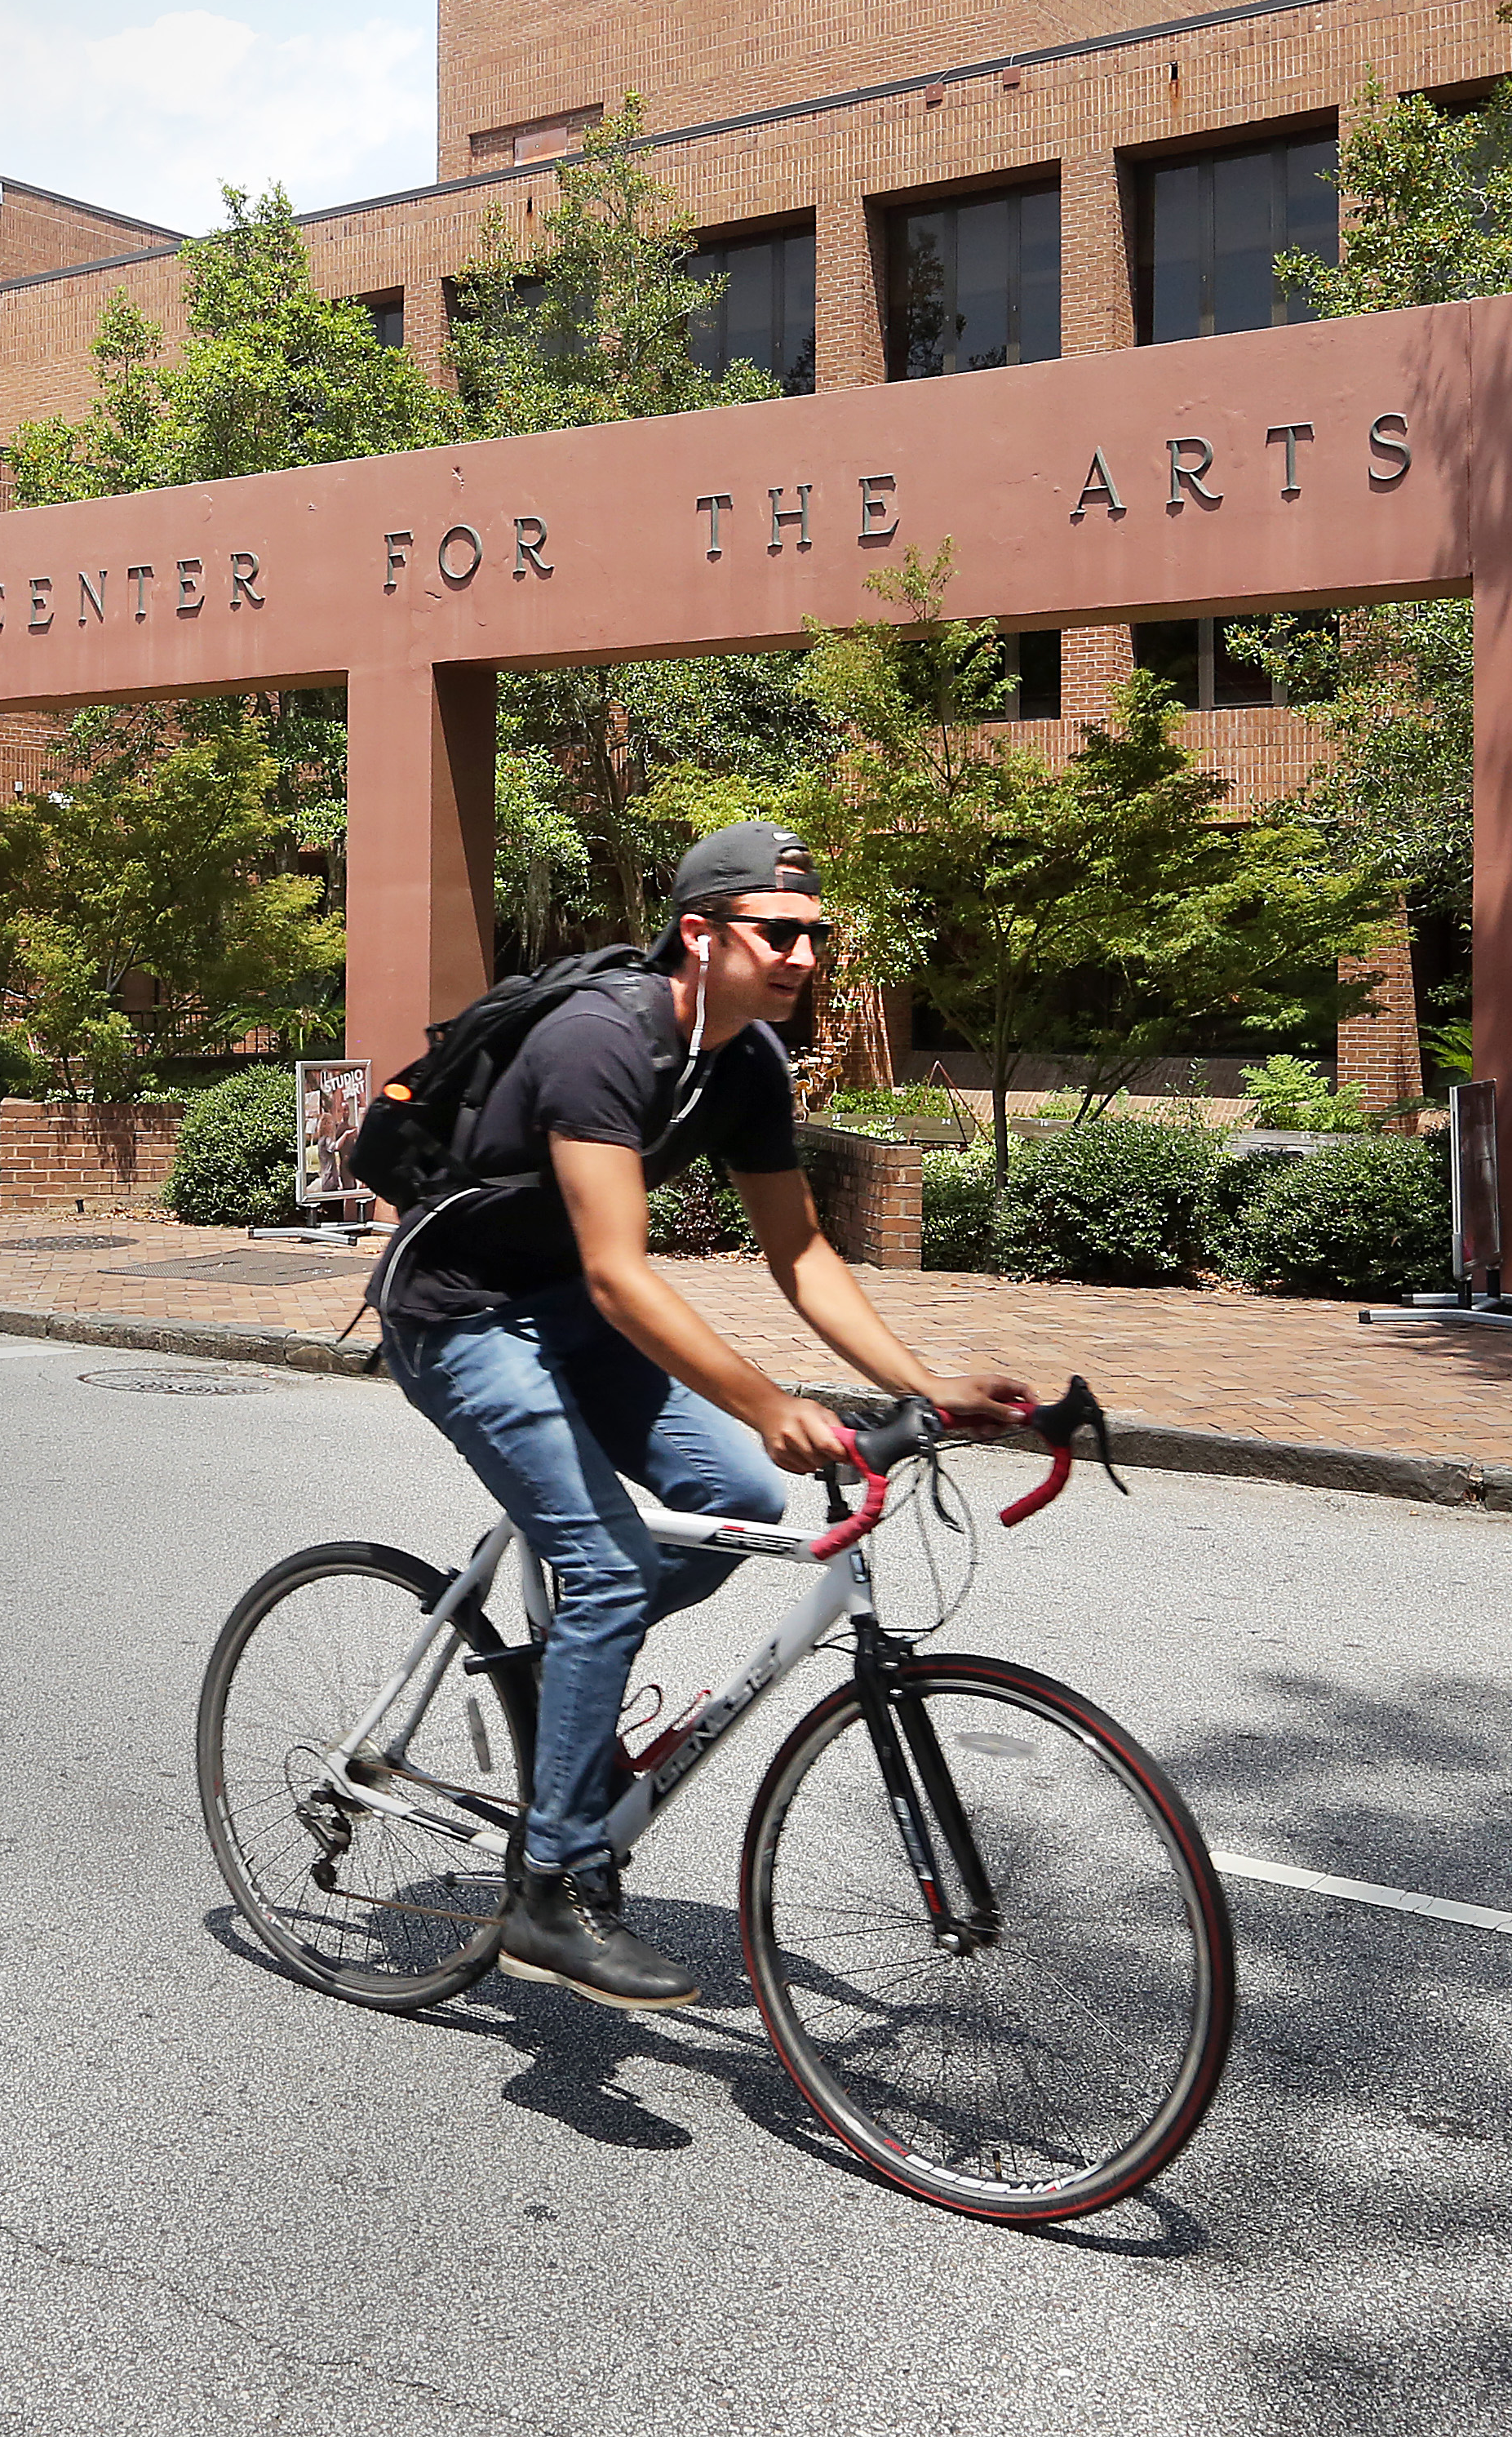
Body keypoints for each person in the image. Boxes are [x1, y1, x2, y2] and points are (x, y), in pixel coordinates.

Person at [376, 821, 1034, 2010]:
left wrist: (922, 1381)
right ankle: (546, 1888)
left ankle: (571, 1670)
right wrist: (768, 1398)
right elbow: (627, 1271)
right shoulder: (599, 1040)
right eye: (777, 932)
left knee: (736, 1494)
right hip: (465, 1316)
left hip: (570, 1311)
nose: (802, 956)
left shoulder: (744, 1066)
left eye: (815, 937)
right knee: (616, 1565)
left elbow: (803, 1255)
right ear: (701, 931)